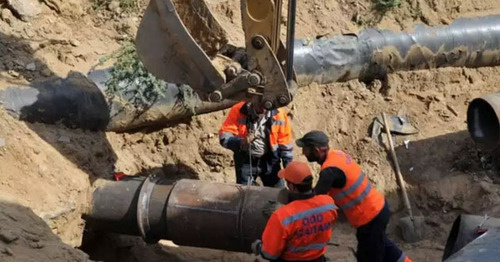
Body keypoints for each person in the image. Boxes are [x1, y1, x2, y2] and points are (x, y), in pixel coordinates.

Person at [295, 130, 413, 262]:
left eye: (305, 149)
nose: (303, 153)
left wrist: (291, 204)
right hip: (379, 208)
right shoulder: (337, 155)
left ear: (316, 150)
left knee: (368, 256)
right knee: (382, 245)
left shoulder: (329, 171)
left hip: (369, 218)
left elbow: (314, 201)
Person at [251, 161, 338, 261]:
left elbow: (270, 254)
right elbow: (309, 212)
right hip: (318, 258)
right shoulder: (328, 204)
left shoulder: (282, 216)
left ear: (292, 186)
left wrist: (258, 247)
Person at [219, 101, 293, 187]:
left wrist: (289, 168)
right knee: (246, 195)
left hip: (270, 161)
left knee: (278, 194)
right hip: (245, 161)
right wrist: (241, 141)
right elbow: (224, 137)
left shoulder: (279, 113)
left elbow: (285, 144)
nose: (263, 109)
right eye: (260, 104)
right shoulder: (239, 110)